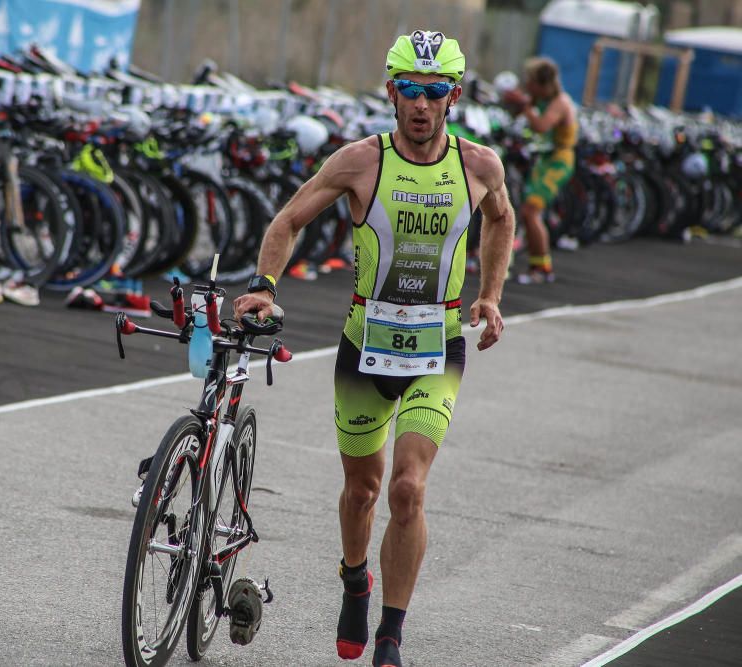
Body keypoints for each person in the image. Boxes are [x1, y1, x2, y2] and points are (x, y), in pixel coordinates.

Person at [233, 30, 514, 667]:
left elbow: (501, 217)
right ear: (391, 92)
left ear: (454, 97)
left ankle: (391, 634)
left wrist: (491, 295)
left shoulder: (480, 166)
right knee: (362, 491)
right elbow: (288, 220)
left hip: (436, 351)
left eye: (434, 91)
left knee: (407, 491)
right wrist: (263, 287)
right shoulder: (360, 161)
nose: (421, 103)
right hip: (365, 351)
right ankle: (355, 579)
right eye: (410, 90)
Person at [502, 56, 578, 284]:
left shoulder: (560, 102)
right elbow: (519, 112)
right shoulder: (541, 97)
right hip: (546, 158)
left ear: (542, 83)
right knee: (528, 212)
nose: (528, 86)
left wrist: (525, 106)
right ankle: (538, 264)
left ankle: (542, 267)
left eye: (531, 81)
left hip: (559, 159)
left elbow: (541, 125)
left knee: (531, 211)